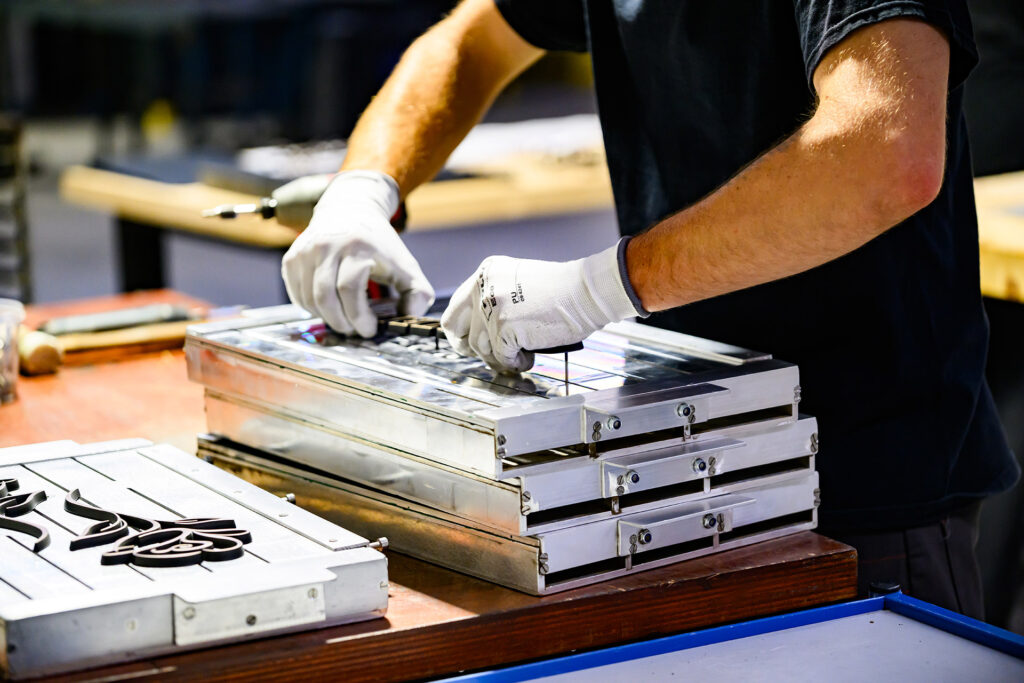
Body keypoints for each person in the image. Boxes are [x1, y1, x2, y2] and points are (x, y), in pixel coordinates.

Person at [281, 0, 1020, 618]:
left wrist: (599, 286)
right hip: (680, 472)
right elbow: (471, 41)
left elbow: (885, 153)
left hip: (866, 502)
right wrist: (366, 189)